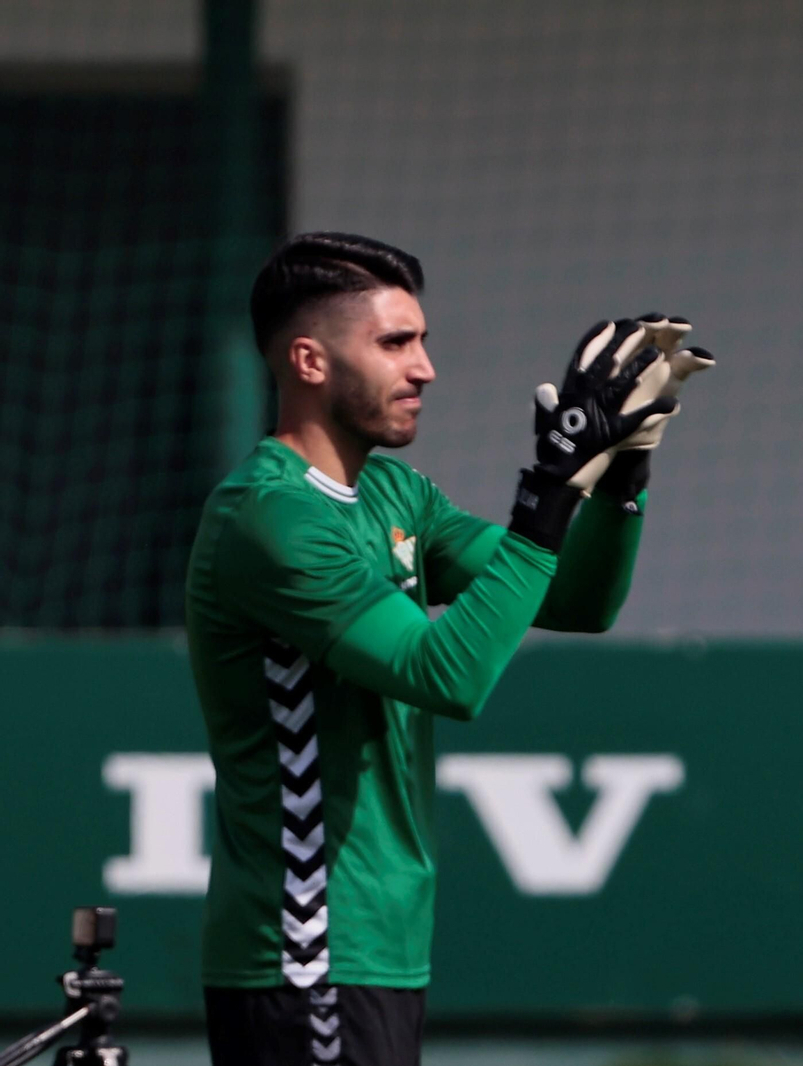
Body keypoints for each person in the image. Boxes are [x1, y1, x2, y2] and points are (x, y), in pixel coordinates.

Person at [185, 232, 711, 1066]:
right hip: (306, 948)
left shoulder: (394, 493)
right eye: (396, 343)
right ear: (310, 361)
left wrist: (618, 478)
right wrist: (546, 494)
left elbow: (574, 598)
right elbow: (447, 675)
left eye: (422, 341)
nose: (424, 368)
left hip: (377, 947)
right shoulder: (269, 517)